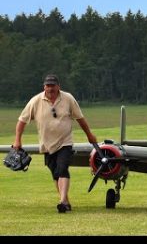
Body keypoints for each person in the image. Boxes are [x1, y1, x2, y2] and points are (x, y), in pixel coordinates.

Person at [12, 74, 97, 212]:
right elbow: (21, 121)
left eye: (53, 85)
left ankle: (62, 201)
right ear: (44, 86)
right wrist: (17, 140)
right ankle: (66, 203)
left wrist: (89, 135)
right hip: (47, 145)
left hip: (65, 142)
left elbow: (80, 118)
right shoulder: (35, 101)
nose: (50, 88)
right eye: (48, 85)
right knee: (56, 173)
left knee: (62, 168)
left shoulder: (68, 99)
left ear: (58, 86)